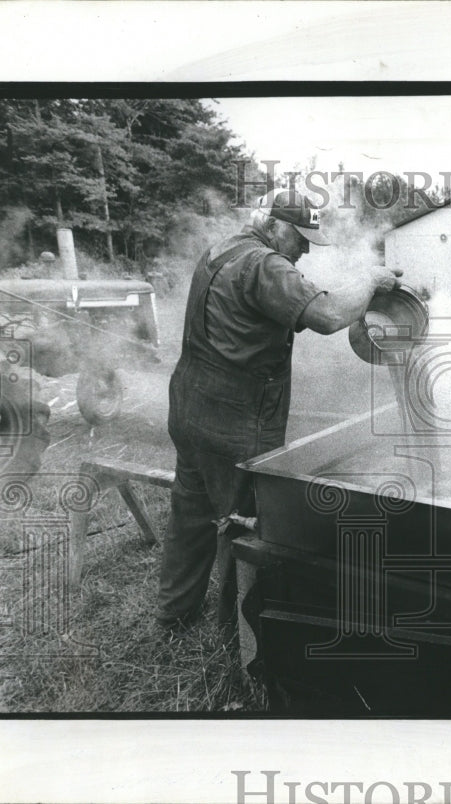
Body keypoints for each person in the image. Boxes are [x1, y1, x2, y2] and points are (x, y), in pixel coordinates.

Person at [158, 188, 401, 635]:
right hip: (234, 421)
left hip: (189, 407)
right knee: (246, 525)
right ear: (272, 225)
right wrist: (370, 281)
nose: (306, 248)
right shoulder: (265, 264)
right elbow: (327, 316)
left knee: (190, 512)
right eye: (300, 236)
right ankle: (238, 634)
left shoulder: (222, 249)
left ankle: (174, 612)